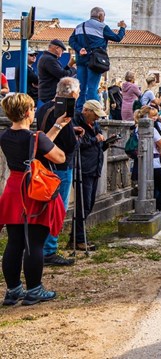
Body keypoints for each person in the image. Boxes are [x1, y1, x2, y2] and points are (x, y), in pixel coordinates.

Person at [0, 93, 70, 305]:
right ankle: (34, 290)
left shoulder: (4, 136)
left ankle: (13, 290)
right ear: (28, 112)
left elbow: (37, 146)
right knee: (35, 243)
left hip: (14, 187)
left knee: (15, 242)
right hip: (34, 189)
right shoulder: (35, 137)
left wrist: (56, 127)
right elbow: (58, 156)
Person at [36, 77, 82, 266]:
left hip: (44, 166)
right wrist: (76, 137)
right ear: (72, 93)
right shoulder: (63, 111)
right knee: (57, 210)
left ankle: (42, 247)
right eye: (77, 94)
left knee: (44, 209)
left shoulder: (43, 108)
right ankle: (49, 250)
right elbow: (69, 143)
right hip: (60, 166)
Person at [70, 100, 110, 251]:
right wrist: (95, 139)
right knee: (83, 204)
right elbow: (78, 144)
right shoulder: (76, 123)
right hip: (83, 168)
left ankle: (76, 236)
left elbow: (96, 144)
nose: (97, 118)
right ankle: (79, 238)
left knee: (89, 203)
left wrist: (105, 143)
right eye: (95, 115)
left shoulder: (95, 124)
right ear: (87, 111)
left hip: (94, 167)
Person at [69, 7, 126, 112]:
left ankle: (79, 111)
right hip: (95, 62)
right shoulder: (102, 27)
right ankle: (93, 111)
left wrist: (79, 48)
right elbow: (117, 38)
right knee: (92, 87)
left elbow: (71, 40)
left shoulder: (79, 26)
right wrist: (122, 28)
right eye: (104, 16)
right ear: (100, 16)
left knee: (81, 88)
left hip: (81, 61)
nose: (104, 18)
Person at [133, 106, 161, 211]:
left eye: (156, 115)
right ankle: (156, 210)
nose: (156, 118)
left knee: (149, 189)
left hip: (142, 162)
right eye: (153, 116)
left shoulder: (137, 127)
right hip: (154, 162)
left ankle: (150, 209)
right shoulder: (151, 128)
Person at [37, 39, 76, 107]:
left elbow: (58, 73)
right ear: (57, 48)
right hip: (50, 94)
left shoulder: (47, 58)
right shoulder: (49, 59)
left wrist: (69, 65)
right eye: (62, 50)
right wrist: (74, 69)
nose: (62, 53)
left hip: (47, 93)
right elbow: (62, 75)